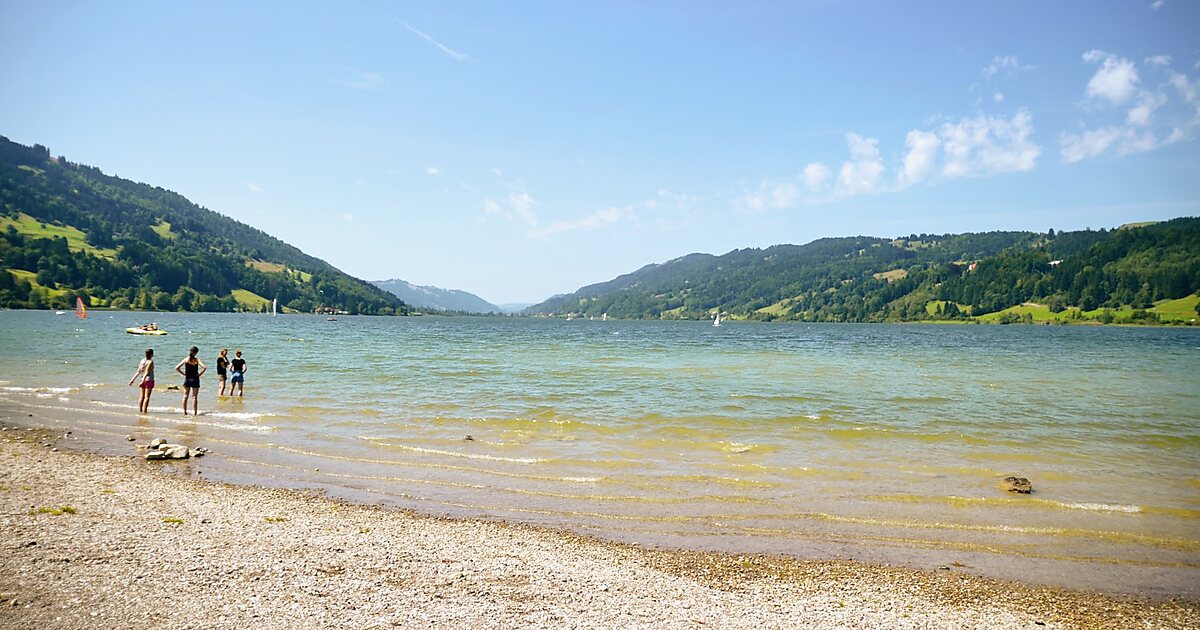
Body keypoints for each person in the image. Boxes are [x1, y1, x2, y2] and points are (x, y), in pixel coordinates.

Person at [175, 346, 207, 415]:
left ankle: (185, 412)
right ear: (196, 353)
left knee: (185, 396)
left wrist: (183, 374)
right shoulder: (197, 360)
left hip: (188, 379)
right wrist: (200, 374)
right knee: (194, 397)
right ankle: (195, 413)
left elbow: (177, 367)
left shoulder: (186, 359)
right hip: (195, 379)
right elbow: (204, 367)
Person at [128, 348, 155, 413]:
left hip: (142, 379)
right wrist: (143, 380)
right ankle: (145, 411)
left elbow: (138, 371)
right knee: (147, 397)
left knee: (141, 396)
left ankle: (140, 410)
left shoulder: (142, 361)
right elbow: (147, 372)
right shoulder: (150, 362)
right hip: (148, 380)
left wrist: (132, 380)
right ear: (152, 355)